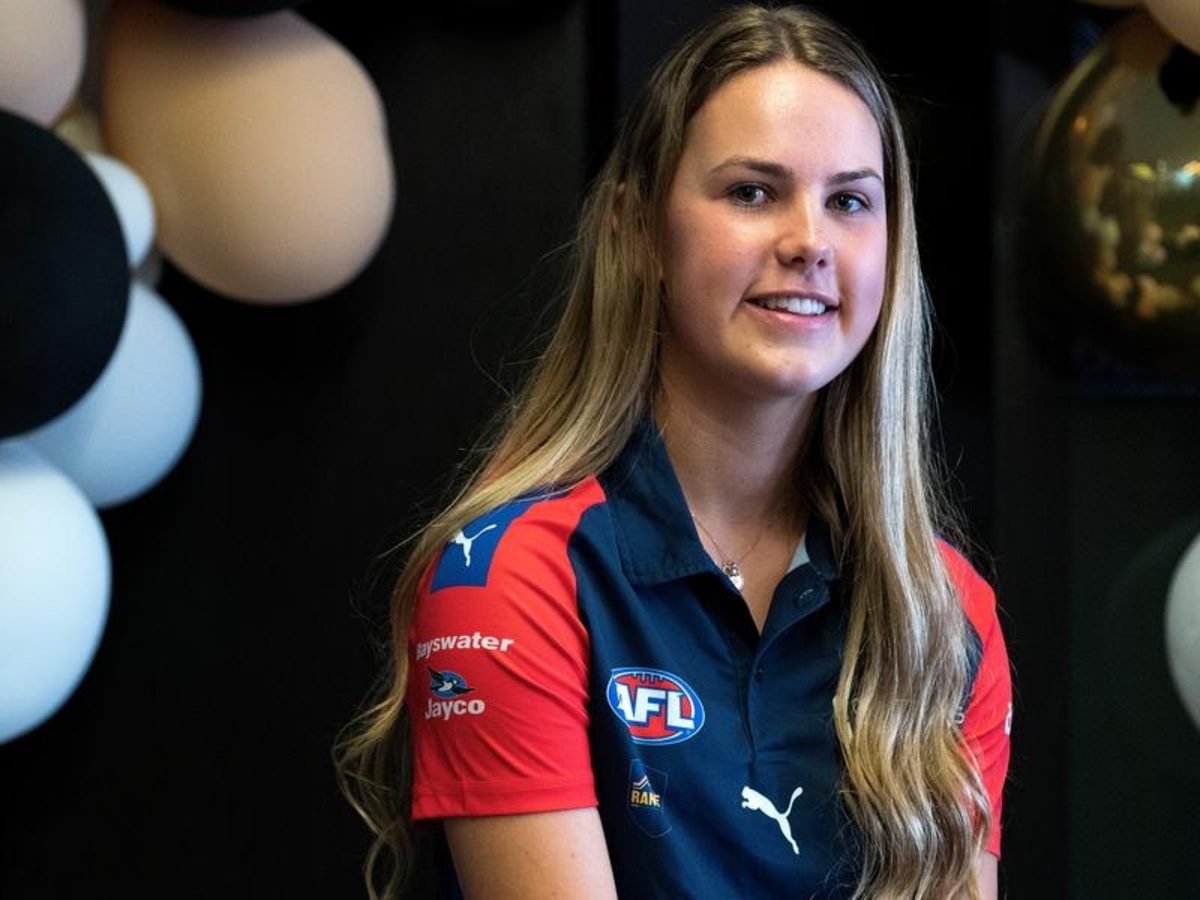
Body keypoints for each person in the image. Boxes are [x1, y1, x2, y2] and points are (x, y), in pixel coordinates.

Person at [334, 4, 1013, 899]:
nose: (809, 242)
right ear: (640, 229)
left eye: (849, 201)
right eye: (752, 192)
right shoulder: (511, 577)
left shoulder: (945, 612)